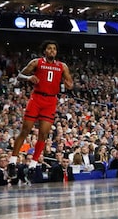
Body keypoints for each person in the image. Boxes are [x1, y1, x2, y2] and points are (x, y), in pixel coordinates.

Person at [8, 40, 74, 178]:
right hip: (36, 99)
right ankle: (12, 162)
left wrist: (68, 84)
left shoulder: (62, 66)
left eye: (54, 49)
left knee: (43, 134)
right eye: (49, 48)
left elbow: (70, 84)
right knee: (25, 131)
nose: (52, 51)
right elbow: (20, 76)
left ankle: (33, 164)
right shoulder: (36, 62)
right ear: (44, 51)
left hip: (50, 101)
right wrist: (29, 77)